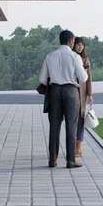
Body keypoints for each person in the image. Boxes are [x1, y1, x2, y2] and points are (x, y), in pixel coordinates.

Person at [39, 29, 88, 168]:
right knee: (71, 126)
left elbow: (42, 79)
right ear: (71, 41)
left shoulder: (50, 56)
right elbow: (83, 78)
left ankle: (52, 160)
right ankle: (70, 161)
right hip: (71, 92)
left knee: (54, 126)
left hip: (54, 91)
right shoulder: (74, 56)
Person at [73, 37, 94, 158]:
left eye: (82, 45)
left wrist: (90, 94)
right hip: (72, 91)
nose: (80, 47)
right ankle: (72, 145)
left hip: (83, 93)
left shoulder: (85, 59)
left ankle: (78, 147)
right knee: (72, 120)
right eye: (78, 44)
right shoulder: (71, 57)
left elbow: (89, 78)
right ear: (73, 45)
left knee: (81, 120)